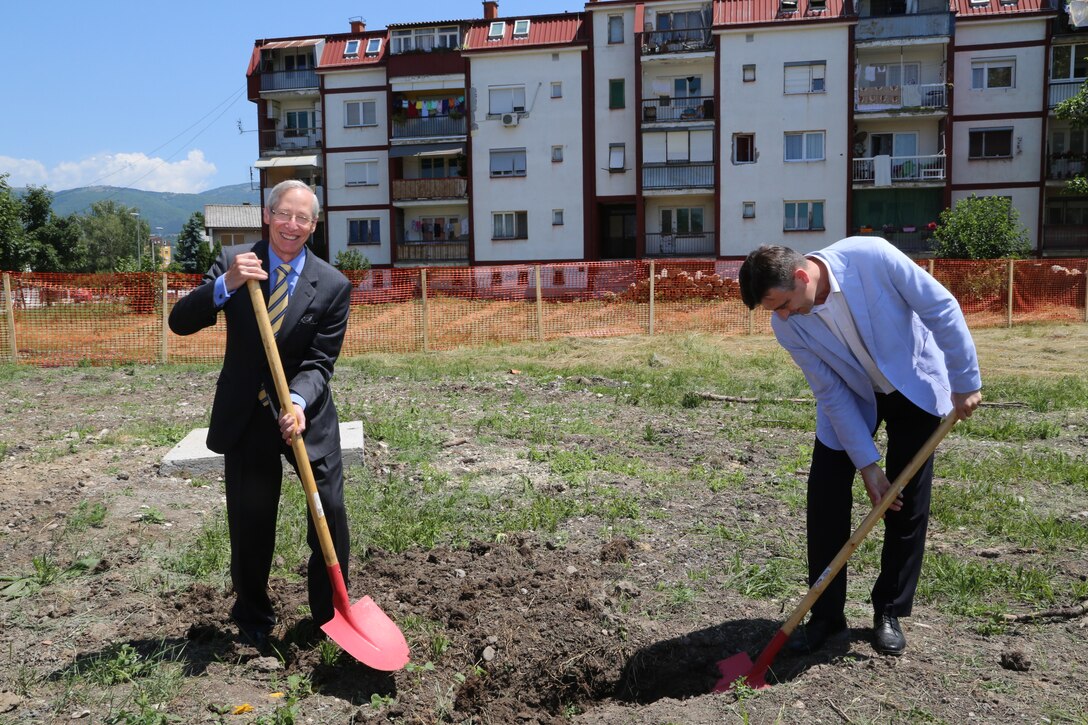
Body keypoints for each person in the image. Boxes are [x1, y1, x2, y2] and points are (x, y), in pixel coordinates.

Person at [738, 237, 982, 656]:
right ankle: (827, 617)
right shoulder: (787, 325)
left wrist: (965, 380)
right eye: (774, 310)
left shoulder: (872, 257)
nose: (782, 315)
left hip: (912, 384)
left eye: (783, 303)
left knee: (905, 503)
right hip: (851, 398)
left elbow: (939, 307)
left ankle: (888, 609)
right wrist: (868, 465)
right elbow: (829, 391)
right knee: (826, 497)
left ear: (801, 276)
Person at [169, 180, 353, 649]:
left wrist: (297, 402)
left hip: (304, 416)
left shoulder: (332, 285)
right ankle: (253, 615)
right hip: (248, 415)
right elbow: (181, 322)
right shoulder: (236, 262)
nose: (293, 225)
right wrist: (227, 284)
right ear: (267, 215)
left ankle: (330, 615)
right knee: (250, 522)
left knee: (327, 512)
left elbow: (319, 362)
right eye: (285, 214)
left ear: (314, 224)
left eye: (304, 218)